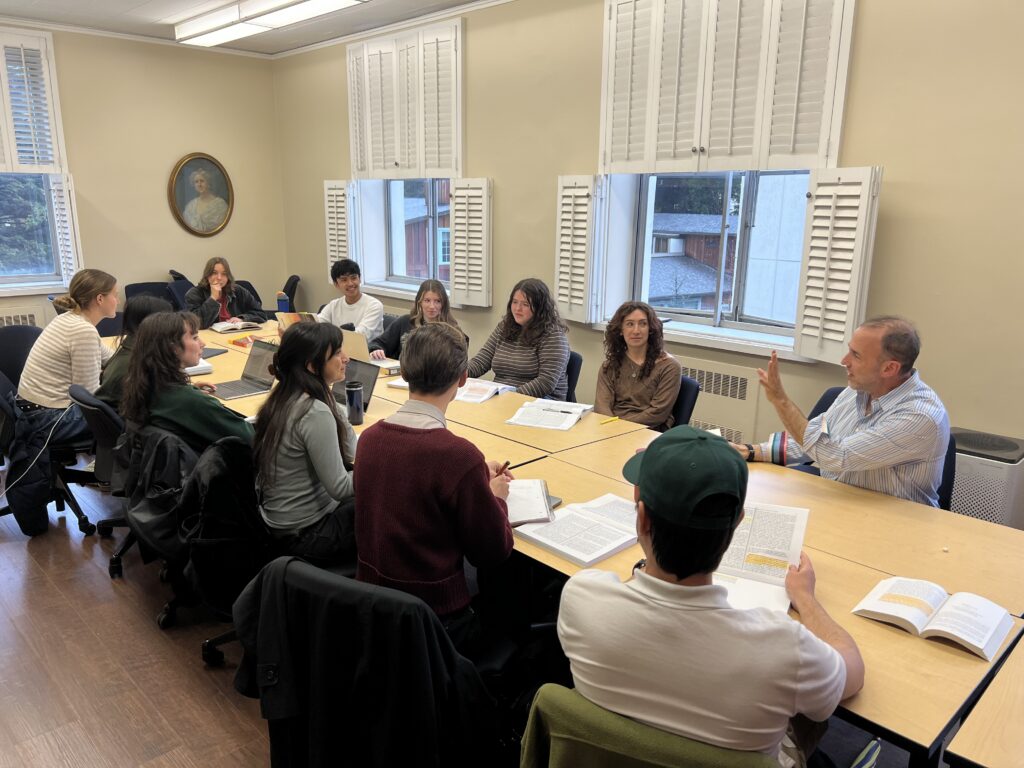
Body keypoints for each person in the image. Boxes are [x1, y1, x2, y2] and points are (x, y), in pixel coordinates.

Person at [557, 427, 864, 766]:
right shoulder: (784, 648)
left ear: (642, 519)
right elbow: (852, 672)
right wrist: (806, 599)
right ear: (737, 525)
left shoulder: (581, 598)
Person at [355, 323, 513, 658]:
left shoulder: (369, 440)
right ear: (463, 379)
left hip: (374, 604)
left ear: (407, 371)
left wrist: (475, 479)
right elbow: (493, 551)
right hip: (439, 618)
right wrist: (496, 496)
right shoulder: (458, 456)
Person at [734, 316, 949, 507]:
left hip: (899, 525)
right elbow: (815, 439)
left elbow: (835, 456)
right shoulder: (858, 390)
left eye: (856, 355)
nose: (844, 361)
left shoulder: (920, 416)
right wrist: (751, 451)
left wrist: (781, 401)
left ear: (889, 369)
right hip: (844, 503)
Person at [254, 323, 358, 566]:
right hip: (304, 536)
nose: (346, 358)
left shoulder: (285, 394)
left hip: (280, 523)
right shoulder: (313, 411)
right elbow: (342, 488)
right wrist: (382, 468)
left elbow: (352, 450)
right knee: (388, 499)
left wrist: (329, 396)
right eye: (337, 353)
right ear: (312, 366)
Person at [120, 311, 254, 453]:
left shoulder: (142, 386)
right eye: (195, 338)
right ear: (174, 348)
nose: (203, 343)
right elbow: (250, 438)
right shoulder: (191, 402)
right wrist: (195, 398)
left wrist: (189, 391)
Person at [17, 268, 119, 443]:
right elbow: (88, 397)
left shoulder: (70, 319)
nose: (118, 300)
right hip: (47, 419)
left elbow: (111, 358)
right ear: (100, 299)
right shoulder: (82, 330)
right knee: (132, 411)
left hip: (31, 410)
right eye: (115, 295)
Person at [468, 278, 570, 400]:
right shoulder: (504, 326)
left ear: (540, 308)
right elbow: (482, 360)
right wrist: (458, 375)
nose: (517, 309)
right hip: (503, 398)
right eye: (515, 302)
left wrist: (511, 396)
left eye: (525, 304)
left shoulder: (553, 335)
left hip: (539, 402)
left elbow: (546, 382)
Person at [595, 301, 681, 431]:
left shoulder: (669, 367)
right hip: (611, 428)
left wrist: (621, 428)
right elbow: (602, 406)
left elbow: (657, 413)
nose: (636, 331)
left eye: (643, 324)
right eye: (630, 324)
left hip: (649, 431)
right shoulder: (610, 366)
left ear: (650, 329)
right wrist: (611, 429)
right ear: (620, 330)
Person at [95, 295, 172, 407]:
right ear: (152, 324)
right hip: (130, 419)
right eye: (168, 321)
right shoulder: (139, 364)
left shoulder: (129, 350)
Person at [369, 279, 464, 360]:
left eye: (437, 301)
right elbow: (377, 343)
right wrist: (376, 350)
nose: (432, 306)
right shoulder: (405, 322)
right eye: (427, 300)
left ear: (443, 304)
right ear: (420, 302)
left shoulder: (452, 331)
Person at [184, 257, 265, 330]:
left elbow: (261, 314)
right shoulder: (194, 294)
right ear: (207, 275)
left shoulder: (238, 290)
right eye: (214, 273)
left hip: (235, 335)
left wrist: (242, 319)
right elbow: (196, 324)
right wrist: (213, 298)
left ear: (228, 277)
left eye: (224, 274)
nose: (219, 278)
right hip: (210, 339)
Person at [317, 258, 384, 339]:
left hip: (367, 349)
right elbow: (317, 326)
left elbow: (361, 336)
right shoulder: (333, 305)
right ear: (336, 284)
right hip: (339, 348)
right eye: (344, 280)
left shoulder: (374, 305)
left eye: (353, 278)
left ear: (359, 279)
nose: (350, 283)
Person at [182, 168, 229, 233]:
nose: (199, 184)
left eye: (202, 181)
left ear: (208, 183)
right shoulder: (190, 206)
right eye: (196, 182)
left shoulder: (220, 204)